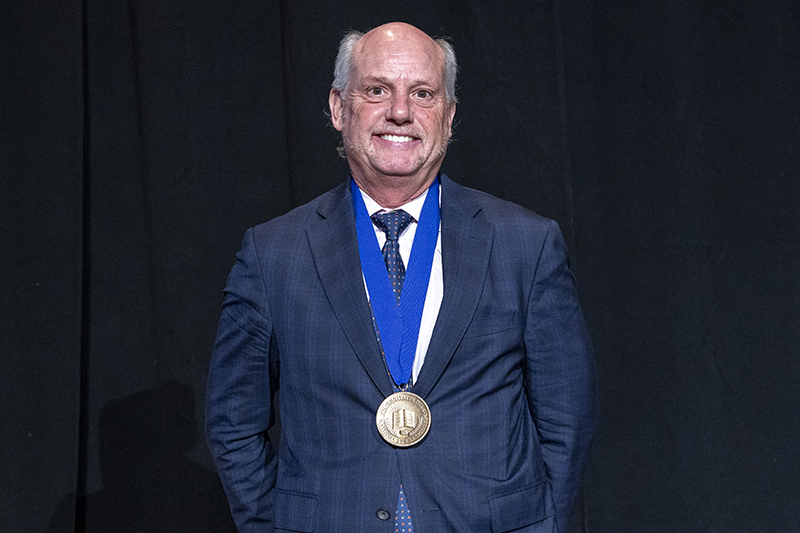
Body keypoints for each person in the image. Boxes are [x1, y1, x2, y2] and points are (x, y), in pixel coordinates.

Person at [206, 21, 597, 533]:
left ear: (450, 116)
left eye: (422, 93)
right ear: (338, 108)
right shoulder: (272, 253)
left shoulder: (527, 244)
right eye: (376, 90)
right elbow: (234, 421)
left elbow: (567, 418)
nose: (400, 112)